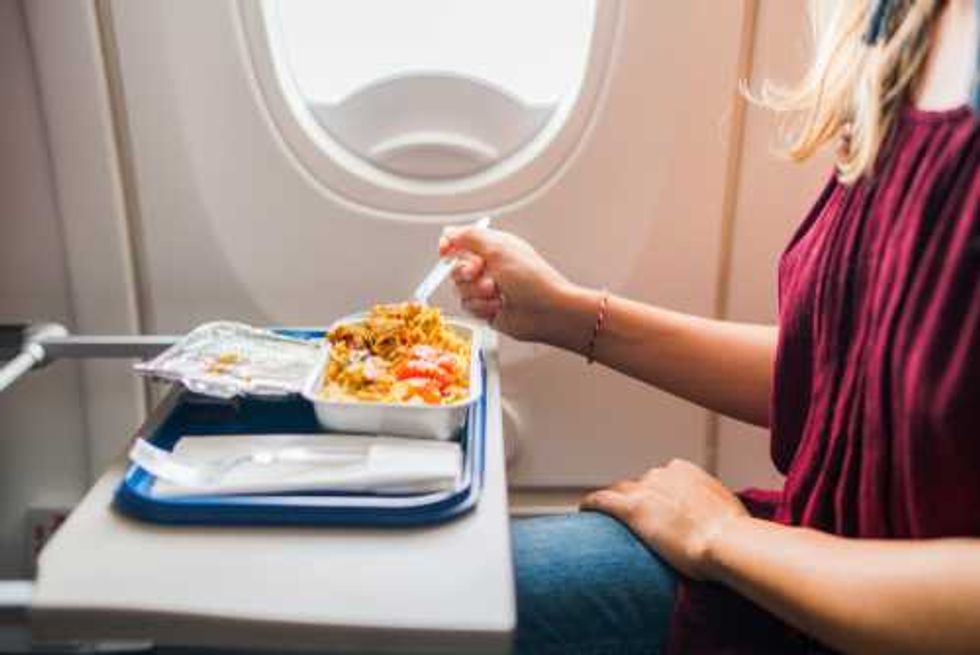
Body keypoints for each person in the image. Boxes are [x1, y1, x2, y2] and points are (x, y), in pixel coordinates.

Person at [440, 0, 980, 653]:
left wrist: (722, 537)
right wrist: (569, 314)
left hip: (852, 603)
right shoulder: (902, 24)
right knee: (438, 587)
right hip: (802, 572)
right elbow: (853, 381)